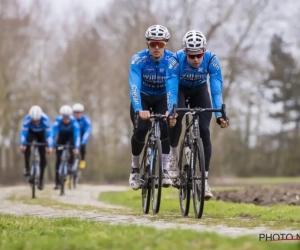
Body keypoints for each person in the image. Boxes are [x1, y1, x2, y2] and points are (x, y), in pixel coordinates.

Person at [166, 30, 229, 199]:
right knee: (176, 118)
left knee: (204, 130)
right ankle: (173, 157)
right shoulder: (175, 60)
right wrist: (172, 111)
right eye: (192, 56)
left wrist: (219, 114)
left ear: (204, 51)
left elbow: (216, 91)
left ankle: (203, 179)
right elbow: (171, 90)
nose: (195, 59)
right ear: (185, 53)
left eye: (199, 55)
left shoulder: (211, 59)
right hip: (179, 90)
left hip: (200, 90)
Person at [128, 24, 175, 190]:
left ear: (165, 45)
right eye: (153, 44)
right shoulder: (138, 60)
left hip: (163, 98)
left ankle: (165, 169)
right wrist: (139, 109)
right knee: (141, 129)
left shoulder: (172, 60)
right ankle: (135, 169)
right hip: (143, 98)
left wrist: (172, 107)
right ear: (147, 44)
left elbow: (174, 86)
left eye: (160, 44)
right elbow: (134, 86)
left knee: (167, 127)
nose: (156, 48)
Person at [20, 105, 53, 190]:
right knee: (26, 148)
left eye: (37, 121)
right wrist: (22, 144)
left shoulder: (45, 120)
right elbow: (24, 133)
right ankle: (27, 168)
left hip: (41, 135)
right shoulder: (27, 120)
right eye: (33, 121)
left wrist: (50, 146)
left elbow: (49, 135)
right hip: (31, 133)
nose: (35, 122)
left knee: (43, 156)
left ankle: (41, 179)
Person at [52, 105, 81, 189]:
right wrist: (52, 146)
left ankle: (70, 169)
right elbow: (53, 133)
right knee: (58, 159)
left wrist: (76, 148)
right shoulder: (57, 121)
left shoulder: (74, 122)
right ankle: (57, 182)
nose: (66, 120)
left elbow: (77, 135)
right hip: (61, 138)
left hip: (71, 138)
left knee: (72, 152)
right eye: (64, 118)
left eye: (67, 118)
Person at [72, 103, 92, 169]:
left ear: (82, 113)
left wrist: (83, 141)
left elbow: (87, 131)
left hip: (82, 135)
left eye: (79, 113)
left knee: (83, 145)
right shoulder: (71, 119)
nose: (77, 114)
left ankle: (82, 159)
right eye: (76, 112)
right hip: (73, 136)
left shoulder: (86, 120)